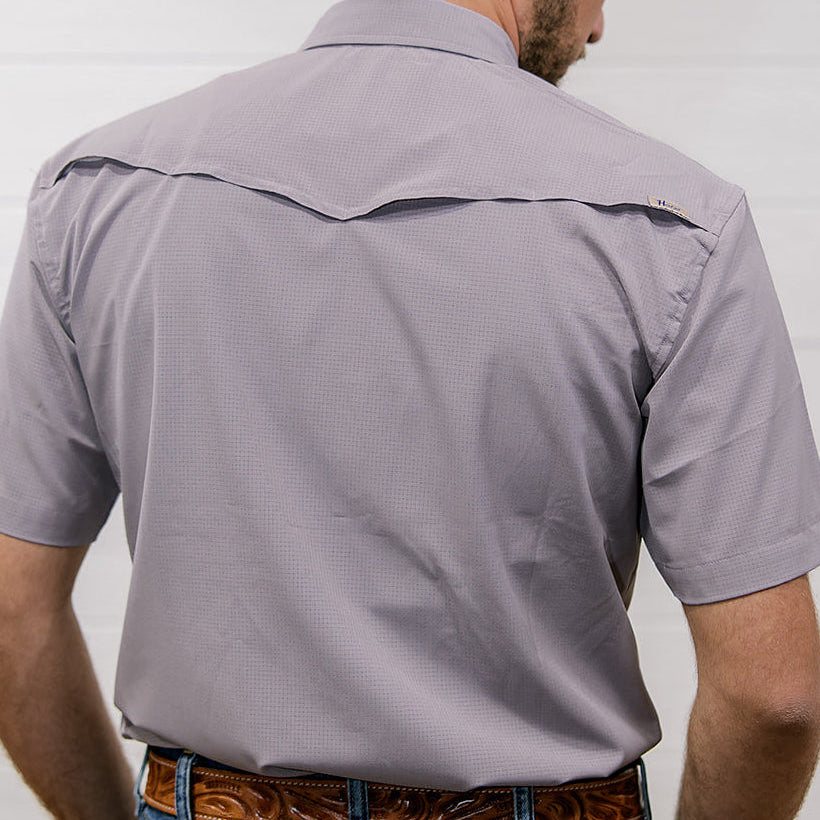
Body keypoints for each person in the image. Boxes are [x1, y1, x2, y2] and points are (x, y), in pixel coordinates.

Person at [1, 0, 819, 818]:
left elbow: (11, 615)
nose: (599, 27)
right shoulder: (675, 226)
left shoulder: (95, 194)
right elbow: (775, 696)